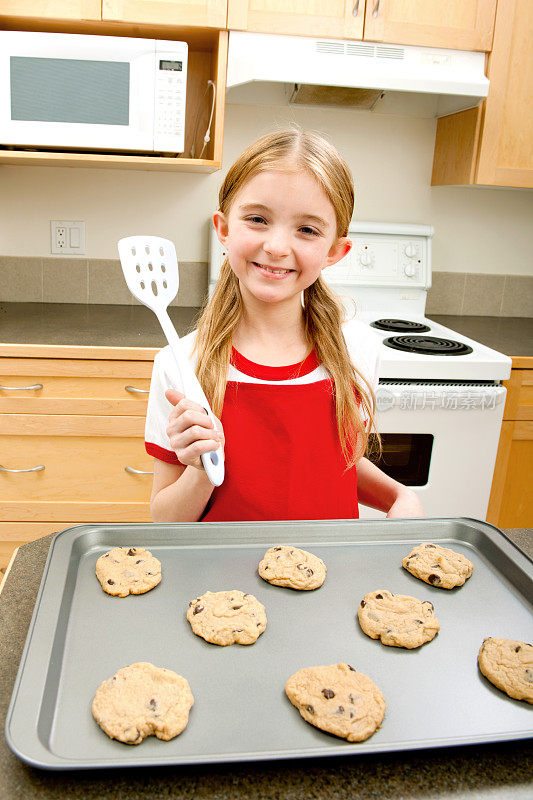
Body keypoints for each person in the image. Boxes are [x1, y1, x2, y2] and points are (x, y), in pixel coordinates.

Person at [145, 127, 424, 523]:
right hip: (219, 584)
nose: (277, 246)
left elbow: (333, 466)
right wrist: (199, 468)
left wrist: (399, 496)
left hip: (332, 574)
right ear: (223, 229)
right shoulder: (181, 363)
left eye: (307, 229)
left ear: (335, 250)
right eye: (258, 219)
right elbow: (166, 522)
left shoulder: (357, 351)